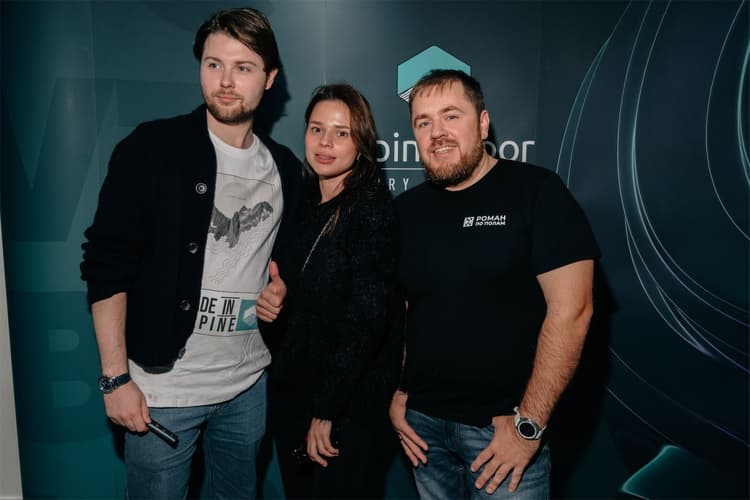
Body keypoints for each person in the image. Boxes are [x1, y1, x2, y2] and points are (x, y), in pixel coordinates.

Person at [80, 8, 302, 499]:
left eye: (243, 67)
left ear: (269, 78)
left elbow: (285, 265)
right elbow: (106, 263)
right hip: (162, 390)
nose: (225, 81)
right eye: (213, 64)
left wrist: (281, 291)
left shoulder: (285, 168)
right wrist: (115, 379)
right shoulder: (151, 148)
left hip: (248, 384)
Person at [389, 69, 600, 499]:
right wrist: (399, 390)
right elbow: (408, 310)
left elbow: (573, 311)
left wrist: (528, 426)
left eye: (451, 116)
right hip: (423, 427)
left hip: (501, 432)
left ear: (483, 123)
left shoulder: (537, 192)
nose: (437, 133)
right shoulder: (405, 211)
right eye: (423, 122)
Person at [255, 83, 403, 499]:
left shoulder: (370, 208)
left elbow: (366, 321)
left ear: (362, 142)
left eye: (341, 133)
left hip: (344, 406)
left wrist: (327, 410)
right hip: (293, 395)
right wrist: (273, 305)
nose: (325, 143)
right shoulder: (302, 203)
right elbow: (297, 300)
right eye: (317, 129)